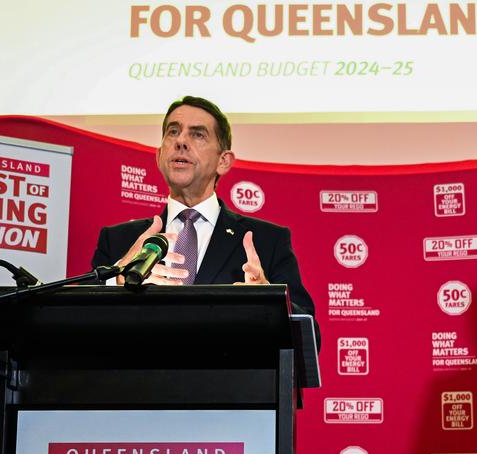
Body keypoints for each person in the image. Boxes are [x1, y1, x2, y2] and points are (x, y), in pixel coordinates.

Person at [90, 96, 314, 317]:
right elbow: (83, 323)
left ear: (223, 161)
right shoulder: (118, 240)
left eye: (197, 134)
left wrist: (271, 300)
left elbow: (309, 333)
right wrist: (117, 280)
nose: (181, 141)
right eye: (173, 132)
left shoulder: (267, 241)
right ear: (159, 156)